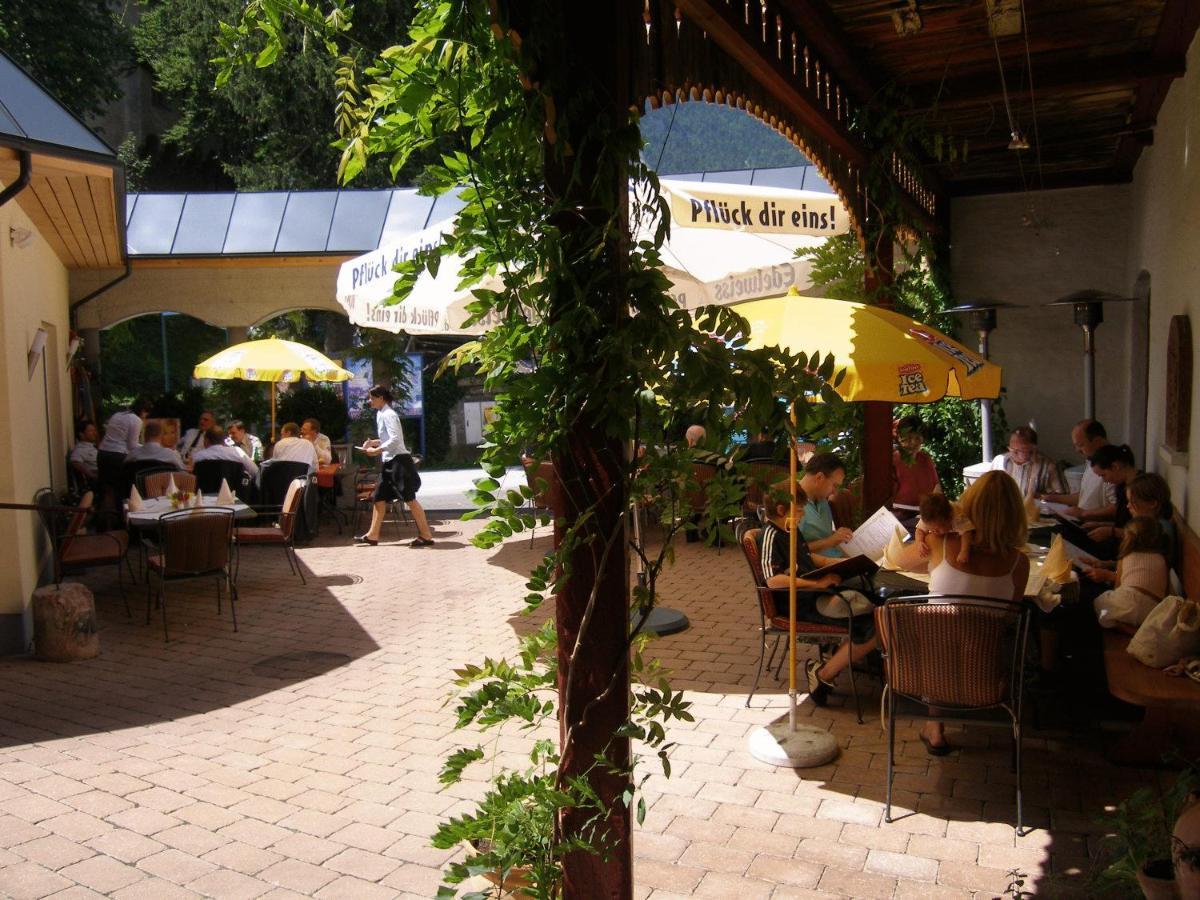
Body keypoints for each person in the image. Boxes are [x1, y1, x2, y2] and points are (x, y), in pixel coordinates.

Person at [919, 471, 1030, 755]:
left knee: (939, 633)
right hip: (987, 676)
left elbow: (898, 559)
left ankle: (935, 726)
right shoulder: (1020, 563)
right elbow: (1009, 616)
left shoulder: (940, 544)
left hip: (928, 674)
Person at [757, 480, 877, 706]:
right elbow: (772, 580)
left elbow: (808, 558)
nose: (802, 514)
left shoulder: (791, 530)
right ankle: (826, 671)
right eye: (800, 509)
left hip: (815, 595)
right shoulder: (770, 535)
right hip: (799, 603)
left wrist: (843, 563)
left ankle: (831, 664)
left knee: (875, 611)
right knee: (872, 616)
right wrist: (817, 584)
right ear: (782, 510)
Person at [357, 385, 434, 547]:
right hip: (390, 462)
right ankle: (373, 535)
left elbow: (396, 440)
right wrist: (373, 442)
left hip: (399, 462)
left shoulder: (389, 415)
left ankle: (426, 536)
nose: (369, 401)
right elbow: (388, 438)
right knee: (378, 498)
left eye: (372, 398)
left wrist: (376, 450)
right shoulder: (381, 414)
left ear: (380, 398)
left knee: (410, 499)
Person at [1088, 517, 1170, 630]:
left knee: (1099, 604)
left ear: (1128, 538)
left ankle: (1121, 626)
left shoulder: (1126, 556)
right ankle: (1136, 627)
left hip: (1128, 600)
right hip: (1151, 610)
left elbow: (1117, 587)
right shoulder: (1161, 559)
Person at [1038, 419, 1116, 519]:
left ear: (1097, 441)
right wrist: (1054, 498)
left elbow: (1116, 506)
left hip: (1099, 529)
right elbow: (1084, 496)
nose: (1077, 450)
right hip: (1083, 523)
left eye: (1081, 445)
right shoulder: (1091, 460)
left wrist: (1085, 513)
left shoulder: (1113, 465)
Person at [797, 452, 853, 558]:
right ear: (819, 478)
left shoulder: (821, 499)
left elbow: (818, 534)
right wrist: (830, 541)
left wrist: (838, 535)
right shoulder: (792, 502)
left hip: (838, 559)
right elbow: (790, 550)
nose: (834, 492)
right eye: (834, 485)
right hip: (817, 568)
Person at [1083, 444, 1139, 544]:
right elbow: (1123, 523)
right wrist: (1100, 525)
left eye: (1104, 475)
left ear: (1115, 466)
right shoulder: (1121, 486)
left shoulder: (1140, 488)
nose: (1104, 480)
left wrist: (1111, 531)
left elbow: (1142, 534)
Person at [990, 425, 1066, 497]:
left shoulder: (1048, 466)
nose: (1013, 453)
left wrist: (1040, 496)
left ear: (1033, 449)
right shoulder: (999, 461)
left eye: (1019, 450)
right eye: (1011, 448)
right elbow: (989, 488)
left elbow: (1061, 494)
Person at [892, 415, 940, 523]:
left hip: (925, 517)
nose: (913, 443)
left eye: (917, 438)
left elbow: (937, 491)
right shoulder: (893, 461)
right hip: (898, 519)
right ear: (899, 437)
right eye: (908, 438)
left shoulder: (925, 459)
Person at [97, 397, 152, 491]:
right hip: (117, 456)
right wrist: (147, 447)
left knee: (107, 490)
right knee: (123, 488)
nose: (145, 417)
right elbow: (132, 445)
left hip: (102, 454)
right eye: (146, 414)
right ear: (143, 410)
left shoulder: (117, 415)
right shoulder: (136, 420)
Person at [915, 492, 972, 564]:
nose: (934, 532)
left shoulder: (958, 517)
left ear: (949, 518)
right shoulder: (928, 518)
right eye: (931, 529)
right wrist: (919, 542)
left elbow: (966, 533)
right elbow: (919, 530)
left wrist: (964, 551)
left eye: (937, 529)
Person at [191, 426, 259, 481]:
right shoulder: (237, 452)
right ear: (223, 440)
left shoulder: (198, 456)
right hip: (233, 496)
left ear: (206, 440)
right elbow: (256, 472)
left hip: (204, 495)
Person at [69, 421, 100, 486]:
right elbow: (75, 461)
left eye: (94, 430)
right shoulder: (80, 449)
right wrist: (92, 475)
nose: (95, 433)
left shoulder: (92, 447)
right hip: (99, 481)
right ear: (81, 434)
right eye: (91, 431)